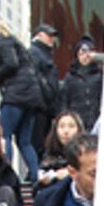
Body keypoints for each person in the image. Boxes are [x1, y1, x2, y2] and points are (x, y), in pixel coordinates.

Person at [0, 13, 43, 183]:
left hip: (16, 95)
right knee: (24, 140)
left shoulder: (2, 41)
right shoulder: (12, 40)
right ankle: (36, 175)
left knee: (3, 135)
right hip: (31, 95)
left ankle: (5, 176)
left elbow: (11, 64)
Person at [28, 23, 63, 161]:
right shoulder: (34, 53)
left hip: (45, 107)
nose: (52, 39)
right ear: (39, 35)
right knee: (38, 143)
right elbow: (36, 79)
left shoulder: (42, 53)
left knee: (41, 143)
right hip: (41, 107)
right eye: (49, 36)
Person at [62, 36, 104, 131]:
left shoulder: (100, 75)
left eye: (87, 54)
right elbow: (64, 99)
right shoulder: (70, 76)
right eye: (81, 54)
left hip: (95, 118)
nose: (84, 57)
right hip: (77, 119)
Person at [38, 110, 85, 184]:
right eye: (61, 126)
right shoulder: (49, 154)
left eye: (71, 126)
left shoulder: (85, 155)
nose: (66, 131)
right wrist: (54, 175)